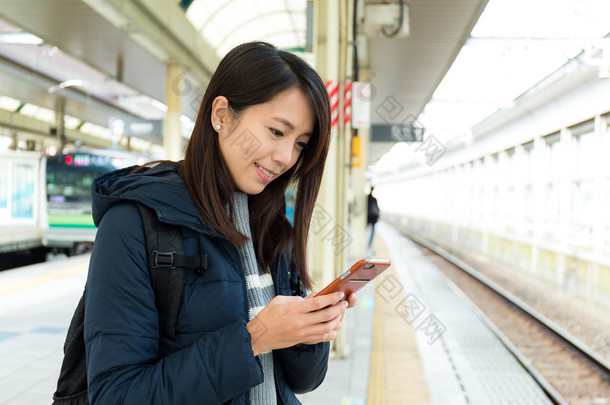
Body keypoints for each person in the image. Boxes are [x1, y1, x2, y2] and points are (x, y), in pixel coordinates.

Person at [84, 41, 357, 405]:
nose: (285, 158)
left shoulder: (274, 231)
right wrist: (256, 337)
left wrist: (310, 331)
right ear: (222, 115)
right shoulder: (133, 224)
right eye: (277, 132)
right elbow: (115, 396)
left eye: (301, 144)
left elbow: (303, 381)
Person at [366, 187, 379, 251]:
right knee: (372, 231)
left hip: (368, 217)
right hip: (374, 217)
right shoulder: (374, 199)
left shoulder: (367, 198)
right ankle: (369, 244)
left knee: (367, 230)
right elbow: (377, 209)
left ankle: (367, 243)